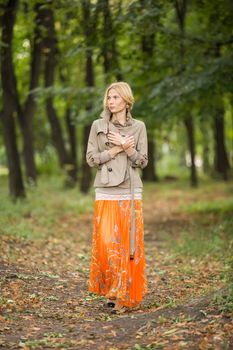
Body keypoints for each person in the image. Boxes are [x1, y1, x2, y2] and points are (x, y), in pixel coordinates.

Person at [86, 81, 148, 313]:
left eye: (115, 97)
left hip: (130, 190)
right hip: (105, 189)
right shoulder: (98, 125)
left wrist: (126, 147)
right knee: (106, 244)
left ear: (126, 101)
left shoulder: (139, 127)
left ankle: (125, 295)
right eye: (108, 97)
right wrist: (114, 150)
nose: (111, 101)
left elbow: (143, 162)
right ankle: (112, 289)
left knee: (127, 244)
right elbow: (91, 159)